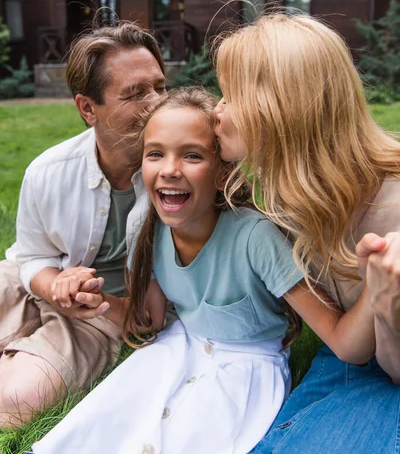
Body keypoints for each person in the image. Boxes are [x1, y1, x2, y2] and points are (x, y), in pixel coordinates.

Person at [33, 87, 379, 454]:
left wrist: (379, 286)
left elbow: (343, 342)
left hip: (246, 370)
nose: (169, 170)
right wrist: (97, 301)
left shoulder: (253, 237)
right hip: (175, 351)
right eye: (155, 154)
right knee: (106, 425)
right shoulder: (146, 231)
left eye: (192, 155)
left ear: (222, 172)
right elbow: (146, 322)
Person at [213, 12, 400, 454]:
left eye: (229, 96)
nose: (216, 110)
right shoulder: (290, 198)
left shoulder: (392, 207)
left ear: (276, 109)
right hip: (347, 358)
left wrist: (390, 307)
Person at [0, 22, 166, 428]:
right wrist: (53, 285)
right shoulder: (48, 171)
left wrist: (89, 302)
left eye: (160, 87)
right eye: (135, 93)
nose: (157, 103)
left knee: (13, 403)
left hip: (105, 310)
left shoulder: (181, 178)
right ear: (88, 108)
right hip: (31, 281)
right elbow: (33, 255)